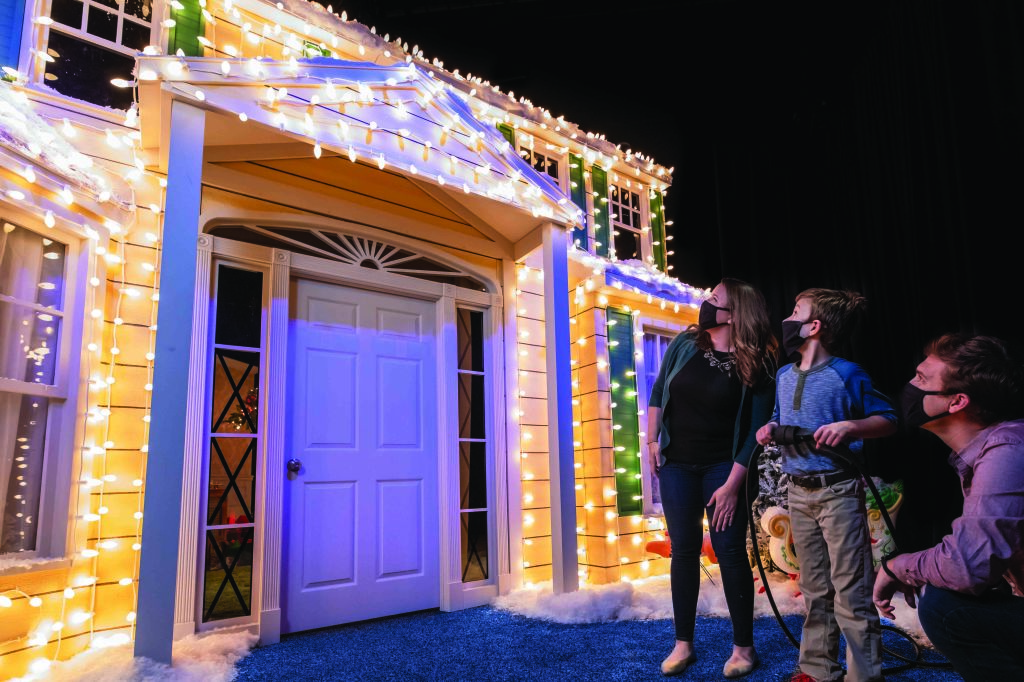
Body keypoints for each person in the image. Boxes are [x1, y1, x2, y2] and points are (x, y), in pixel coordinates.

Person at [755, 288, 898, 682]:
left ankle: (864, 676)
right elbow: (780, 417)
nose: (787, 319)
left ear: (814, 326)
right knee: (815, 587)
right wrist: (770, 429)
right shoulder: (785, 375)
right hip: (798, 492)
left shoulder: (847, 374)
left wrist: (851, 426)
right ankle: (818, 669)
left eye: (795, 311)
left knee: (850, 589)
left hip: (838, 490)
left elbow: (888, 419)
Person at [872, 333, 1024, 681]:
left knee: (944, 608)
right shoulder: (992, 449)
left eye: (922, 380)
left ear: (957, 402)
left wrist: (896, 566)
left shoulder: (1007, 453)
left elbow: (967, 565)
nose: (910, 386)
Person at [647, 278, 778, 678]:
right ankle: (683, 643)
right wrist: (650, 441)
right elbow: (657, 393)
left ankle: (743, 649)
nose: (706, 304)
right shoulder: (686, 344)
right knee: (683, 549)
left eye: (714, 299)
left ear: (735, 313)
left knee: (730, 550)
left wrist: (732, 486)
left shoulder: (758, 362)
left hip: (725, 467)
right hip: (676, 464)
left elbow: (756, 430)